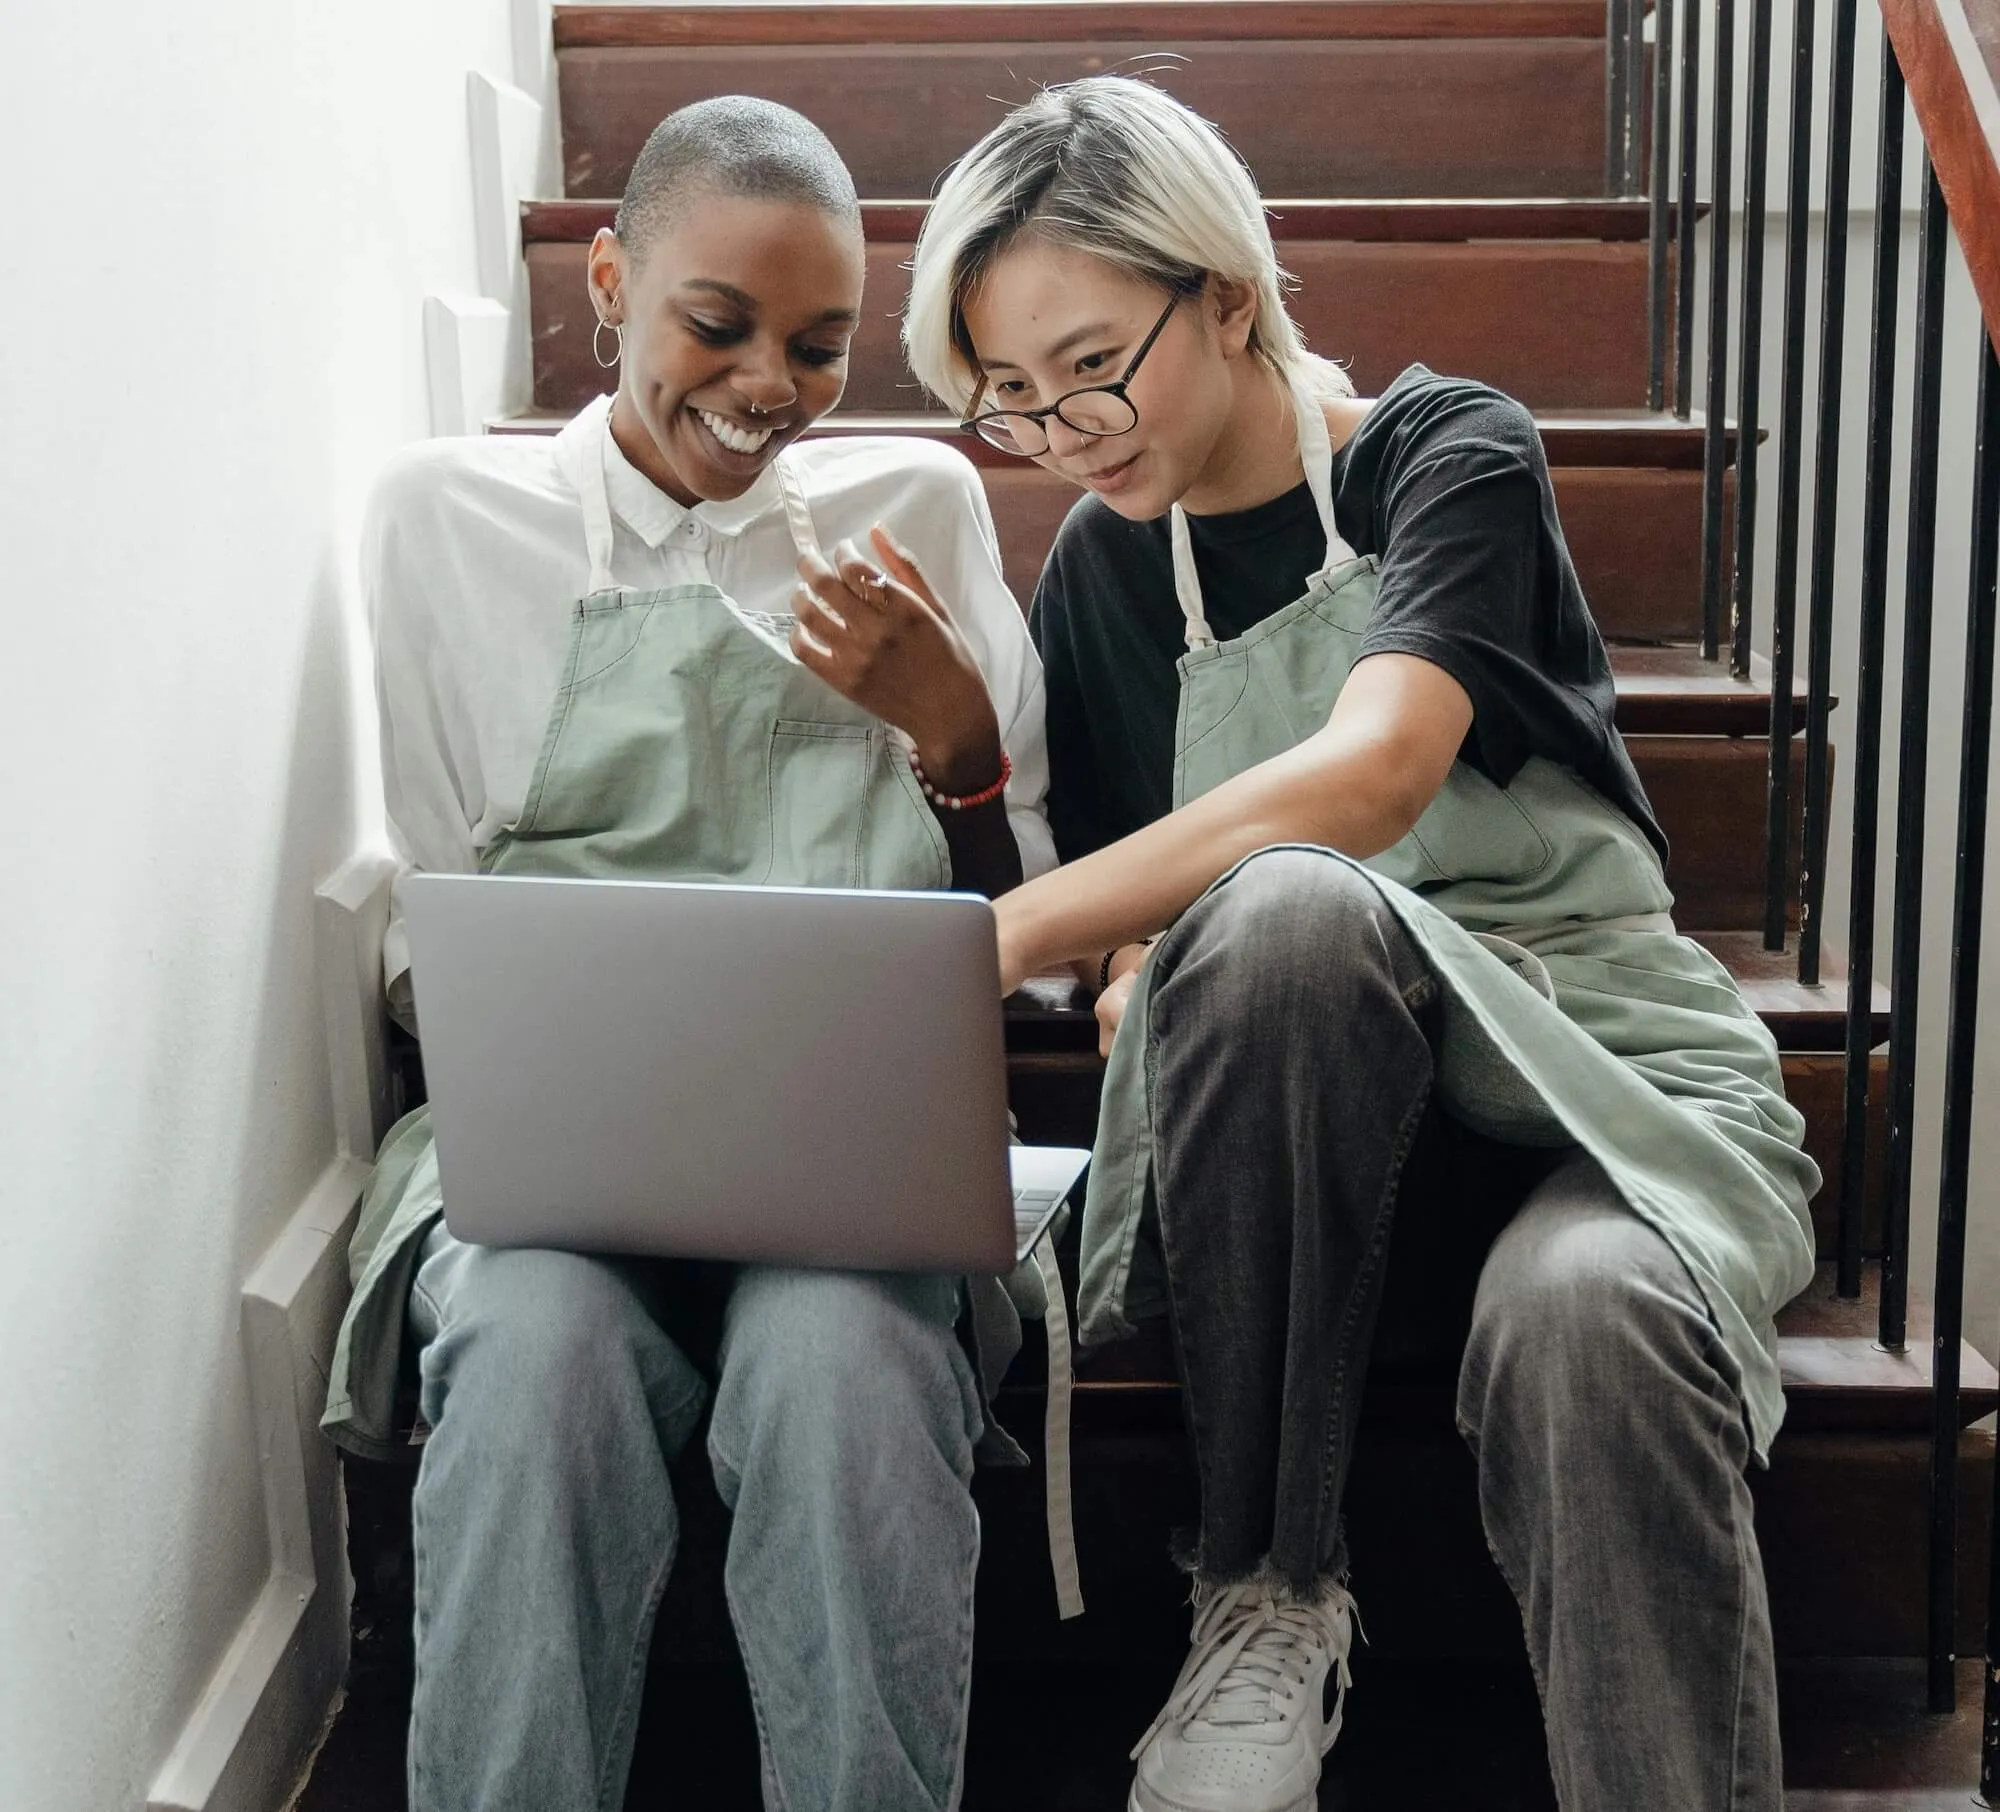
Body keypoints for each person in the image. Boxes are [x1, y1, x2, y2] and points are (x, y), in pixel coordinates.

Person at [904, 76, 1820, 1812]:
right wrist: (1120, 975)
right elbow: (1139, 900)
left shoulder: (1444, 454)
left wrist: (995, 937)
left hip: (1593, 1093)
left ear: (1228, 293)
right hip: (1314, 1168)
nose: (1067, 429)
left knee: (1596, 1323)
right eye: (1009, 402)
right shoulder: (1103, 574)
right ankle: (1264, 1591)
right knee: (1284, 924)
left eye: (1094, 363)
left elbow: (1380, 770)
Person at [319, 96, 1057, 1812]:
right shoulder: (444, 524)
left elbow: (1017, 929)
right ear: (604, 281)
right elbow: (443, 937)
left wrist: (955, 738)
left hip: (854, 1176)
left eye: (817, 346)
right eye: (716, 326)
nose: (768, 388)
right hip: (555, 1176)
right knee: (529, 1347)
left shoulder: (917, 504)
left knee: (847, 1360)